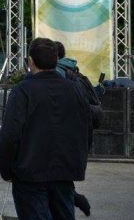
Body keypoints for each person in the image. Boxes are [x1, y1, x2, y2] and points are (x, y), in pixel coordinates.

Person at [0, 38, 91, 220]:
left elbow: (9, 136)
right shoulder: (75, 89)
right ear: (57, 60)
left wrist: (7, 170)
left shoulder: (23, 91)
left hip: (29, 174)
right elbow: (87, 129)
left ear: (31, 61)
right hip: (64, 173)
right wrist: (77, 163)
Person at [54, 41, 100, 217]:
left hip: (60, 138)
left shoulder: (58, 75)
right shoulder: (75, 72)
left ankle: (73, 197)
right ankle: (73, 197)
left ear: (54, 57)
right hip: (77, 139)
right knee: (61, 181)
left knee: (55, 184)